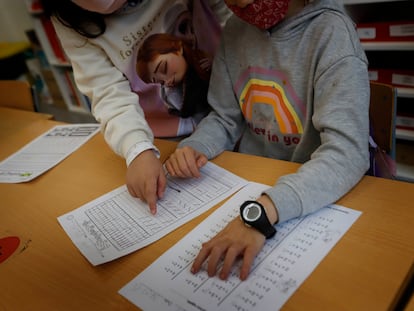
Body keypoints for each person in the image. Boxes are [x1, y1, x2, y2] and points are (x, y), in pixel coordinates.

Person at [164, 0, 370, 281]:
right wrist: (195, 146)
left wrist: (263, 212)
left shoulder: (332, 34)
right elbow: (224, 116)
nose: (237, 3)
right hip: (256, 181)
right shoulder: (235, 30)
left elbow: (347, 152)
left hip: (313, 192)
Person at [40, 0, 231, 214]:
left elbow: (231, 16)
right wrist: (137, 149)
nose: (167, 83)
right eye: (158, 80)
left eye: (164, 68)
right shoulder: (68, 19)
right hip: (161, 139)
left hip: (229, 111)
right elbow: (108, 94)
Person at [136, 33, 212, 120]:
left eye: (164, 68)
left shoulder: (203, 54)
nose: (167, 81)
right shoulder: (170, 95)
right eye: (161, 82)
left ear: (178, 48)